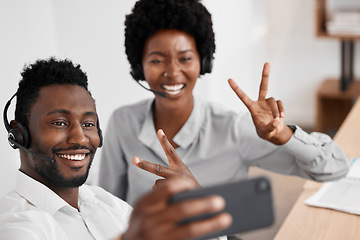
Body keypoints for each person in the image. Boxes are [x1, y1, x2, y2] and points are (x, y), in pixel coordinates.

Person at [98, 0, 350, 206]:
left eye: (185, 58)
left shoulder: (234, 129)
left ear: (203, 62)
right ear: (138, 66)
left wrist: (283, 134)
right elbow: (107, 206)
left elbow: (335, 168)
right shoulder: (123, 122)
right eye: (156, 60)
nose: (173, 73)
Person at [0, 58, 232, 240]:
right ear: (19, 133)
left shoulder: (107, 204)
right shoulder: (17, 225)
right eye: (60, 123)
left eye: (88, 124)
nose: (80, 137)